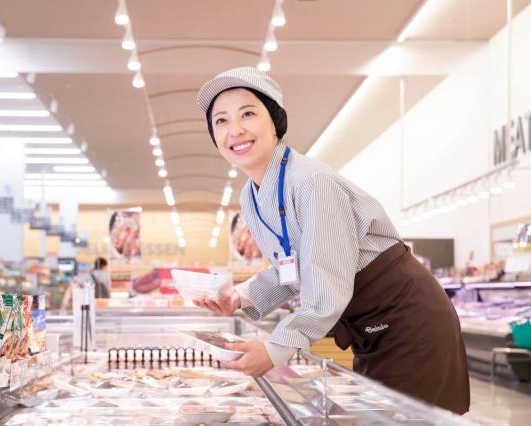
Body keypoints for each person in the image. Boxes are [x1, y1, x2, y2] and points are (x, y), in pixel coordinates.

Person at [193, 67, 470, 414]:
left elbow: (327, 283)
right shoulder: (251, 195)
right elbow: (291, 267)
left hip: (407, 318)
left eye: (248, 113)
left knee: (406, 419)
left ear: (275, 121)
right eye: (221, 121)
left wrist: (275, 348)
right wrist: (239, 296)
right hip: (368, 326)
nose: (235, 130)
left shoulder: (312, 182)